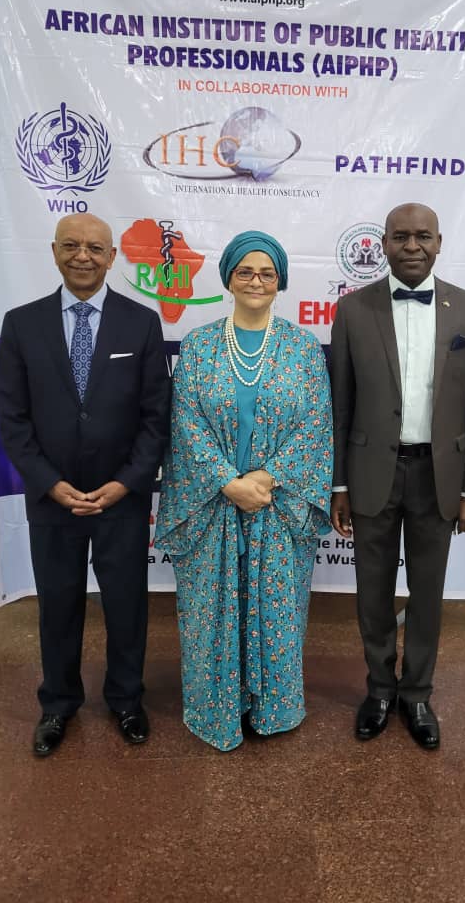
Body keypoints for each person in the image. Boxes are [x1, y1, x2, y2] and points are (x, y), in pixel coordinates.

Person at [0, 213, 170, 756]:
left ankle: (125, 700)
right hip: (54, 498)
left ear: (113, 256)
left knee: (126, 604)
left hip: (121, 497)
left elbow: (156, 417)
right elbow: (13, 419)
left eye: (95, 247)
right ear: (53, 252)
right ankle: (58, 704)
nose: (83, 256)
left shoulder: (141, 322)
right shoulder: (21, 324)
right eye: (71, 246)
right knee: (59, 604)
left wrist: (127, 483)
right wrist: (49, 483)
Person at [156, 230, 332, 752]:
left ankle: (271, 706)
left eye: (267, 273)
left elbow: (316, 425)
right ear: (229, 279)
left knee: (277, 614)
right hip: (213, 504)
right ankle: (218, 709)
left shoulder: (302, 347)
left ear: (280, 282)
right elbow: (184, 423)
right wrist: (228, 482)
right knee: (211, 612)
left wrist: (268, 477)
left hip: (278, 506)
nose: (256, 281)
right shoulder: (200, 344)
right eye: (245, 272)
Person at [329, 202, 465, 750]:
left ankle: (417, 692)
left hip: (438, 477)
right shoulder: (352, 312)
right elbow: (340, 407)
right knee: (371, 591)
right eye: (401, 236)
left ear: (440, 242)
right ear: (384, 243)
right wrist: (339, 484)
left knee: (428, 591)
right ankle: (379, 688)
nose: (413, 246)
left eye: (423, 236)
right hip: (372, 472)